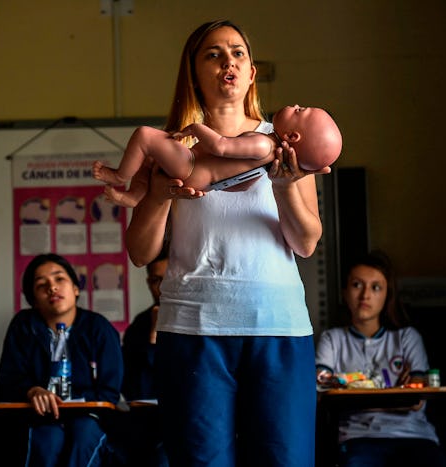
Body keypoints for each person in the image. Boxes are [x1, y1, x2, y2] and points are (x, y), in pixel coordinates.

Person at [124, 19, 327, 467]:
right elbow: (140, 252)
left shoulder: (286, 144)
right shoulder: (170, 147)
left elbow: (306, 242)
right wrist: (158, 195)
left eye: (237, 53)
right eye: (213, 54)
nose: (228, 62)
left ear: (252, 72)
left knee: (286, 460)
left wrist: (286, 184)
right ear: (193, 72)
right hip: (194, 328)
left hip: (278, 327)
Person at [315, 250, 446, 467]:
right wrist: (398, 395)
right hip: (358, 438)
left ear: (387, 294)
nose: (365, 295)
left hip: (415, 436)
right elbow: (323, 392)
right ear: (344, 291)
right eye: (357, 285)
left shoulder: (407, 338)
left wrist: (350, 391)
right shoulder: (332, 340)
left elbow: (416, 401)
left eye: (376, 287)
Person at [0, 253, 123, 467]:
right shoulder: (23, 326)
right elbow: (6, 386)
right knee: (48, 438)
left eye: (59, 279)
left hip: (89, 418)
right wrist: (33, 391)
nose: (51, 287)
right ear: (33, 300)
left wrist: (72, 406)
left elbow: (110, 391)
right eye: (41, 284)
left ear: (75, 288)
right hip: (38, 418)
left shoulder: (98, 328)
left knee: (84, 433)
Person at [92, 104, 341, 207]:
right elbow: (243, 184)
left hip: (190, 166)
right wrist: (216, 185)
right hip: (196, 174)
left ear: (293, 137)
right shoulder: (266, 158)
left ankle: (118, 176)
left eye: (300, 111)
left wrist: (197, 129)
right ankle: (135, 195)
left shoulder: (264, 145)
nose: (295, 105)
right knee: (150, 157)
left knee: (145, 136)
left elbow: (221, 146)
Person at [118, 248, 169, 467]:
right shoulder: (139, 326)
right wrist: (153, 337)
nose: (164, 287)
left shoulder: (204, 320)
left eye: (170, 278)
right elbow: (135, 391)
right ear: (149, 283)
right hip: (150, 422)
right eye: (156, 280)